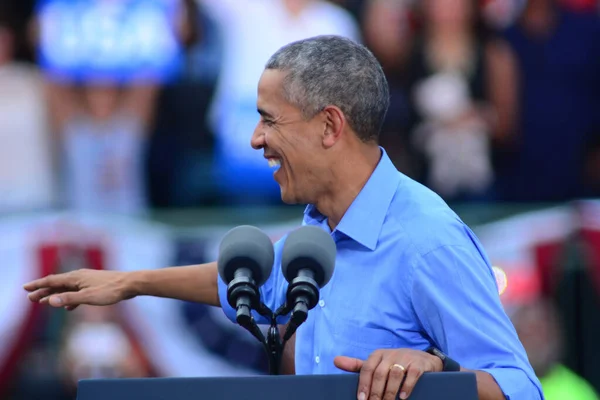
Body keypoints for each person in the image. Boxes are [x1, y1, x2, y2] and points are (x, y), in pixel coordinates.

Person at [24, 35, 543, 400]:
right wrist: (129, 282)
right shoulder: (319, 231)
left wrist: (436, 371)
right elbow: (251, 279)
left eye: (269, 120)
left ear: (329, 126)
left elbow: (520, 387)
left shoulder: (428, 241)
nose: (255, 139)